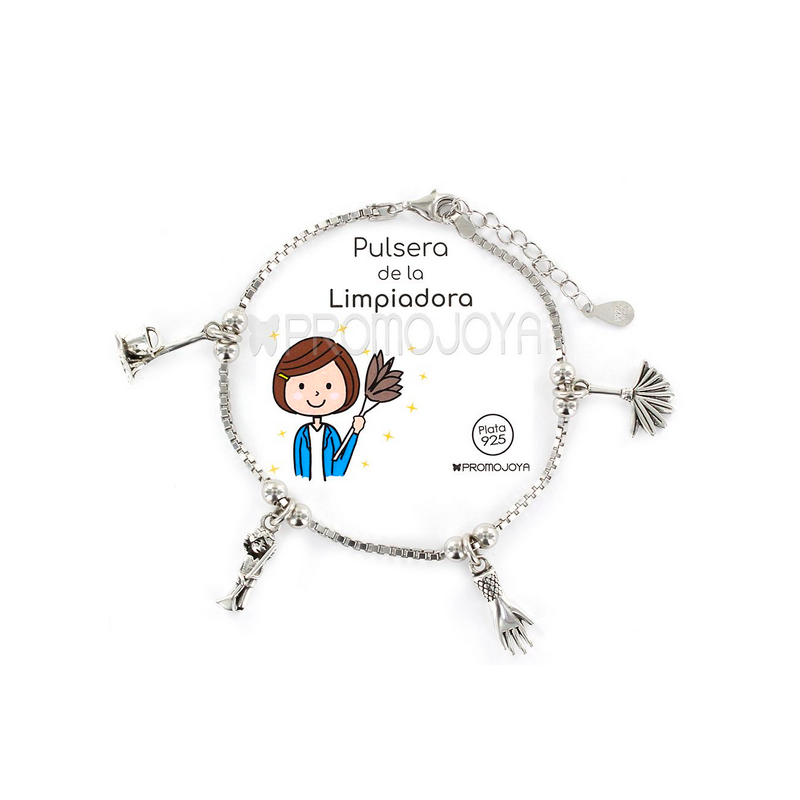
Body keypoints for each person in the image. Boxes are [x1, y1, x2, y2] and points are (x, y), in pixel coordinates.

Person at [272, 337, 365, 480]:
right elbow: (298, 467)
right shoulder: (302, 434)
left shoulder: (331, 433)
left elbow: (340, 465)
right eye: (301, 386)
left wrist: (355, 432)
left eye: (329, 386)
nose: (316, 393)